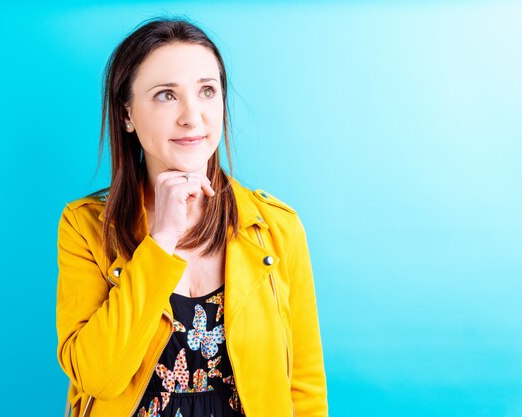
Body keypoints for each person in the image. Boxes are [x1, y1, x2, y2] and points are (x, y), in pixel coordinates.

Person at [56, 17, 328, 417]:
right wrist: (161, 240)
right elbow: (97, 377)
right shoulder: (86, 227)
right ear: (127, 114)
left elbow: (304, 388)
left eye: (206, 91)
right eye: (166, 95)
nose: (191, 116)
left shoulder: (276, 228)